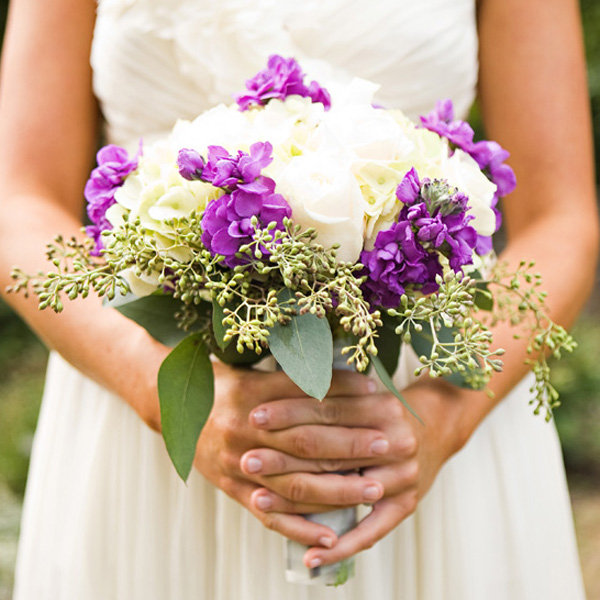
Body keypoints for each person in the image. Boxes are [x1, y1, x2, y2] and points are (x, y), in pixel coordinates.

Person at [0, 0, 597, 598]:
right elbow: (19, 201)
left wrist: (447, 416)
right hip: (149, 393)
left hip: (419, 392)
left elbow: (561, 217)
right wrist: (154, 389)